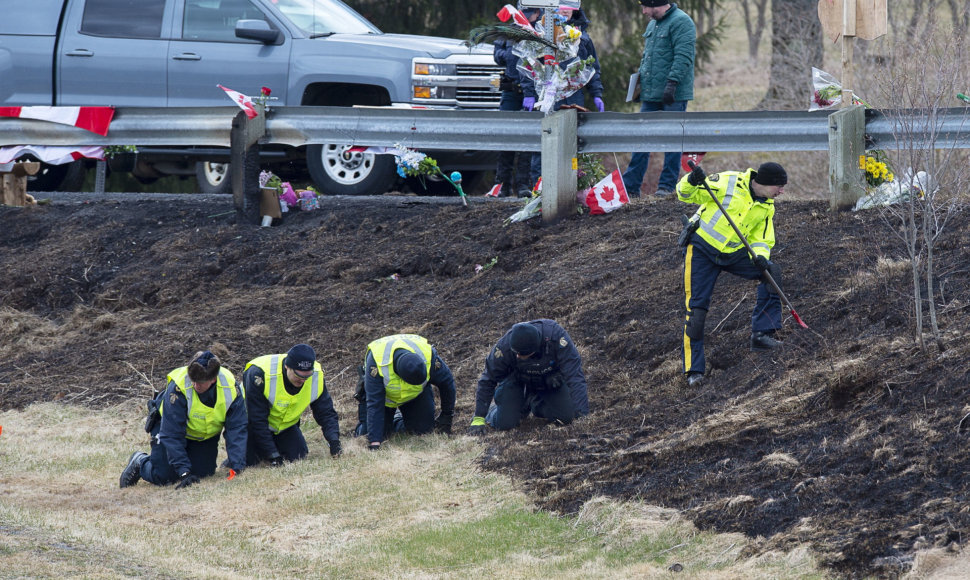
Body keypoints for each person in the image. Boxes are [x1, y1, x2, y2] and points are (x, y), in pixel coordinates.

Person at [676, 162, 788, 388]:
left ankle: (761, 335)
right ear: (764, 183)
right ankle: (694, 371)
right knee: (696, 311)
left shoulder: (767, 206)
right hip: (702, 251)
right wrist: (692, 180)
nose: (781, 191)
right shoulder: (727, 182)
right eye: (779, 186)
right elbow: (684, 194)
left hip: (733, 253)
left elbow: (762, 239)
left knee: (770, 274)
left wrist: (760, 256)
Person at [120, 350, 247, 489]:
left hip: (202, 435)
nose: (195, 385)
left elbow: (236, 428)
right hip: (167, 427)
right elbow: (171, 434)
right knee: (164, 476)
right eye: (193, 380)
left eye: (201, 382)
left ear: (213, 379)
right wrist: (184, 473)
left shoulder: (230, 387)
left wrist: (237, 466)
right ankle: (140, 462)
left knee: (204, 473)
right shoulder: (178, 388)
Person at [621, 1, 696, 198]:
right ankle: (631, 186)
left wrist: (672, 82)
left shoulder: (682, 22)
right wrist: (639, 84)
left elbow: (684, 56)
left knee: (672, 140)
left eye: (646, 7)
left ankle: (666, 187)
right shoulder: (653, 23)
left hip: (673, 94)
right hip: (650, 94)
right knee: (641, 138)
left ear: (658, 4)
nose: (644, 11)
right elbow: (648, 57)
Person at [527, 4, 606, 186]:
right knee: (545, 140)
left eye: (569, 6)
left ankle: (570, 185)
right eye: (560, 5)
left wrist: (596, 93)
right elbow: (530, 66)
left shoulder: (582, 36)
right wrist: (530, 92)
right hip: (548, 96)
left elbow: (592, 68)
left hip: (574, 97)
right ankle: (539, 186)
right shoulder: (541, 33)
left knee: (572, 143)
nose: (564, 9)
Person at [468, 319, 589, 434]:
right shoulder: (504, 346)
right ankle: (495, 410)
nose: (517, 356)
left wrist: (582, 415)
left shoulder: (556, 338)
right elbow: (488, 379)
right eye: (516, 352)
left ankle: (534, 403)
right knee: (505, 424)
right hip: (516, 381)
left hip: (548, 381)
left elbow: (575, 377)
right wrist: (479, 417)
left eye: (521, 354)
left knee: (566, 418)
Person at [352, 334, 457, 451]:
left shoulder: (428, 355)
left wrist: (447, 416)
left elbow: (447, 383)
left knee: (424, 431)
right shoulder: (377, 361)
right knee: (373, 434)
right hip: (383, 401)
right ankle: (367, 426)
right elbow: (374, 403)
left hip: (415, 396)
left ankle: (398, 420)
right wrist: (374, 443)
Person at [242, 343, 341, 465]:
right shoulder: (259, 373)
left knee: (298, 456)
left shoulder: (316, 376)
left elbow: (325, 411)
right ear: (287, 366)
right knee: (250, 461)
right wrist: (272, 454)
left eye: (307, 376)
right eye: (298, 375)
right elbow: (257, 419)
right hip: (251, 425)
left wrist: (334, 441)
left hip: (284, 427)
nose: (303, 380)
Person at [490, 3, 543, 198]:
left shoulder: (539, 32)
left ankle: (523, 184)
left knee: (527, 139)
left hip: (531, 92)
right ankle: (501, 184)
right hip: (511, 90)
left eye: (531, 12)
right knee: (506, 136)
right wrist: (513, 54)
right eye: (524, 12)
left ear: (537, 14)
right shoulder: (508, 30)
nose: (527, 15)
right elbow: (497, 56)